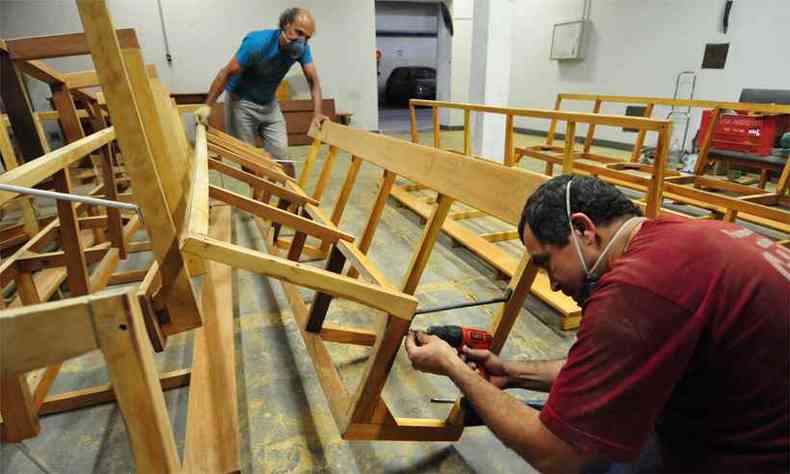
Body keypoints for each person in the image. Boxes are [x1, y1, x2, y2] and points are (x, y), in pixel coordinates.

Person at [406, 175, 789, 473]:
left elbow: (557, 457)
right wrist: (511, 372)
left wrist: (456, 369)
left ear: (584, 230)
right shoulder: (679, 236)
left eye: (545, 262)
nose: (552, 283)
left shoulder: (637, 287)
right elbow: (617, 367)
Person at [194, 7, 327, 178]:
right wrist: (207, 106)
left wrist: (317, 113)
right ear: (286, 25)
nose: (301, 41)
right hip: (241, 104)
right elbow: (226, 73)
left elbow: (313, 81)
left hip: (269, 104)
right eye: (298, 32)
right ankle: (258, 197)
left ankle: (288, 202)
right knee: (248, 159)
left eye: (307, 37)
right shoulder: (257, 43)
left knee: (282, 156)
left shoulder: (301, 50)